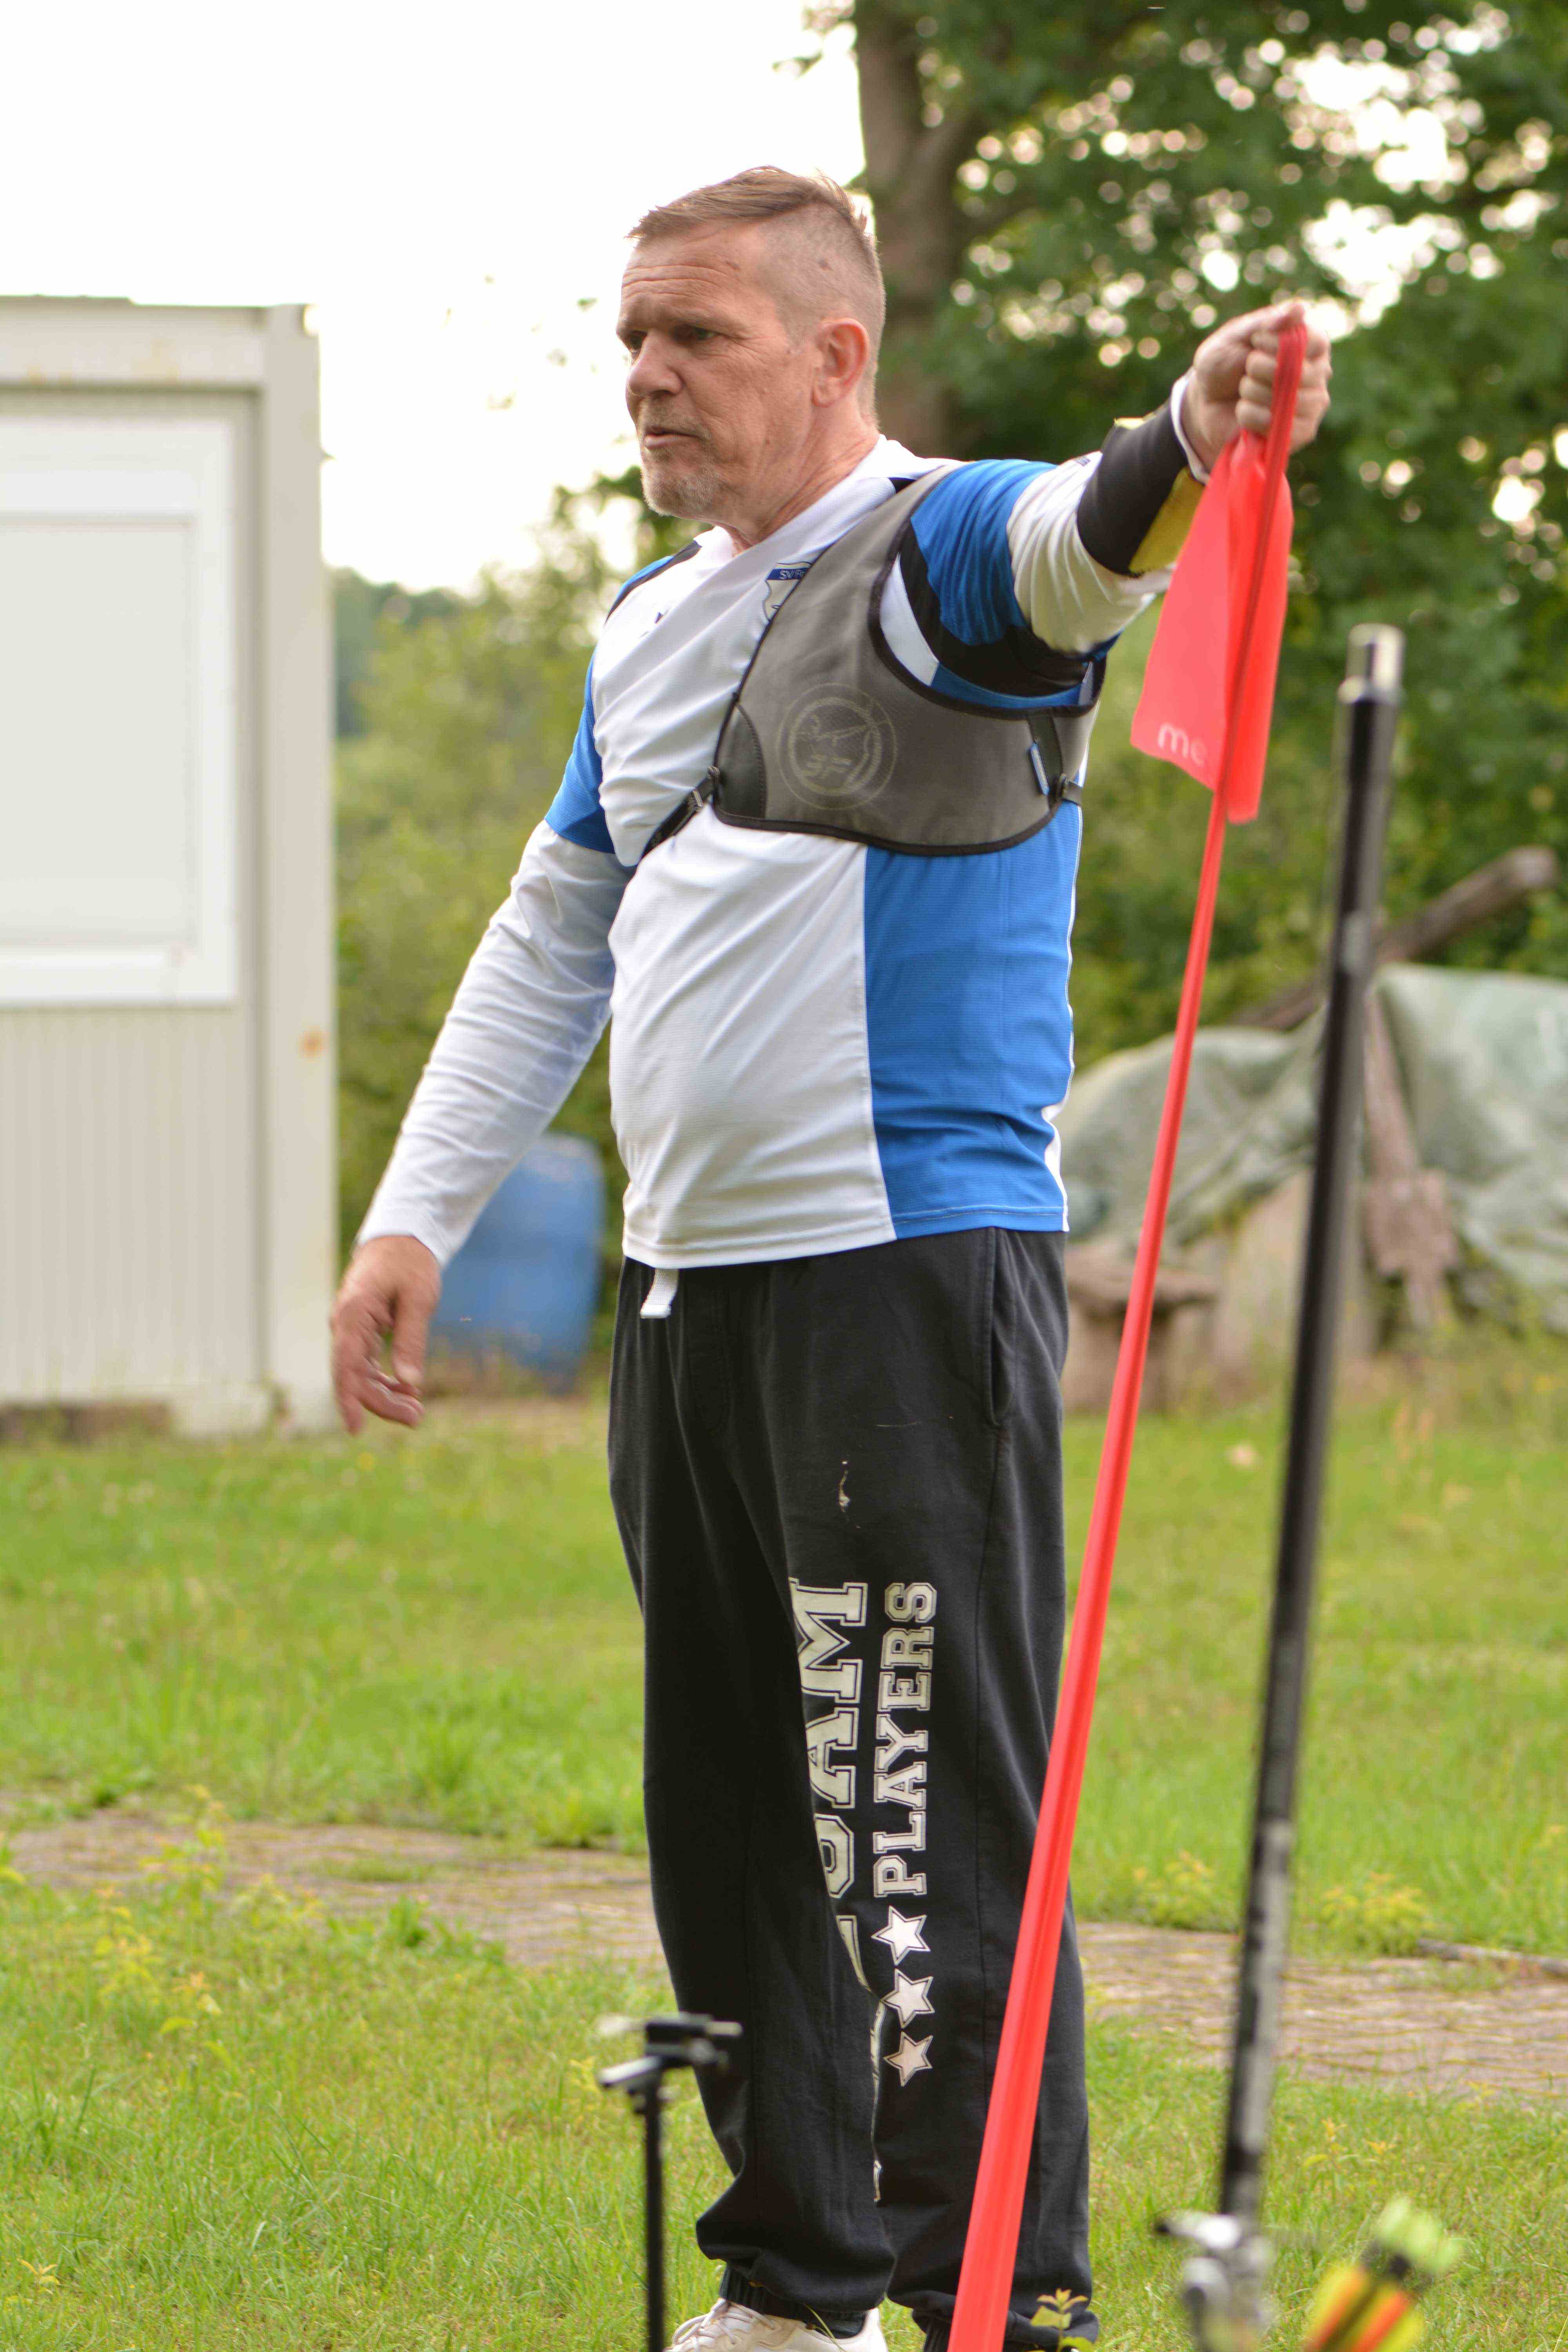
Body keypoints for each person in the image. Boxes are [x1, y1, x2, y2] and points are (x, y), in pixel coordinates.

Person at [332, 167, 1331, 2352]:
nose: (648, 376)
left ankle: (990, 2297)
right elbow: (556, 933)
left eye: (695, 335)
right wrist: (415, 1214)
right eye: (631, 338)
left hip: (900, 1269)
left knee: (910, 1816)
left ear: (835, 351)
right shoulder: (644, 621)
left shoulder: (937, 548)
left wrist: (1191, 421)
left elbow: (1090, 540)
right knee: (732, 1820)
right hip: (684, 1293)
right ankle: (801, 2289)